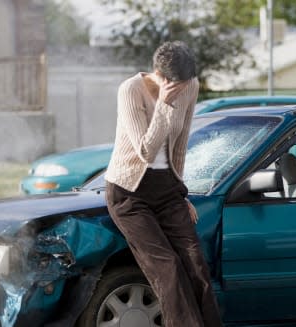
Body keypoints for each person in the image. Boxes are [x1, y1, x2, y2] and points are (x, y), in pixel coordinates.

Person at [104, 41, 222, 327]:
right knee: (167, 267)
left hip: (166, 189)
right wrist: (164, 106)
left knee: (196, 263)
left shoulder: (190, 86)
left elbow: (179, 145)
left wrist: (181, 193)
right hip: (129, 193)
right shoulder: (130, 90)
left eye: (187, 83)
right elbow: (145, 150)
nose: (185, 89)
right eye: (179, 85)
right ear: (162, 77)